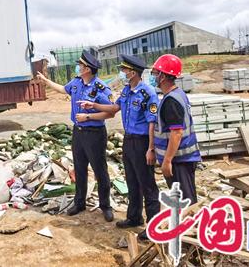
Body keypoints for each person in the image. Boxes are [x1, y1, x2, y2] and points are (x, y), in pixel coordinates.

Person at [79, 54, 160, 241]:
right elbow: (114, 109)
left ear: (132, 72)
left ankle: (153, 226)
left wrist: (151, 148)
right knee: (132, 181)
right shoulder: (126, 91)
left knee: (147, 185)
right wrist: (93, 105)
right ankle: (134, 217)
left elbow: (152, 124)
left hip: (142, 142)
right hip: (129, 141)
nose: (121, 73)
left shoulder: (148, 93)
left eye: (124, 70)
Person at [37, 50, 114, 222]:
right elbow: (63, 89)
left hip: (95, 134)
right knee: (79, 168)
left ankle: (105, 206)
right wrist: (45, 81)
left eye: (80, 65)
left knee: (100, 171)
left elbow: (110, 113)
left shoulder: (101, 88)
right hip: (78, 133)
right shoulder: (76, 83)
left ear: (87, 69)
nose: (78, 67)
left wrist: (88, 116)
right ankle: (79, 202)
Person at [149, 54, 201, 205]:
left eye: (155, 73)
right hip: (182, 158)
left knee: (186, 202)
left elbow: (176, 133)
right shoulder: (177, 94)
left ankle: (190, 227)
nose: (153, 77)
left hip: (179, 160)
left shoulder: (171, 101)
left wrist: (167, 161)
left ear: (163, 76)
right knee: (184, 200)